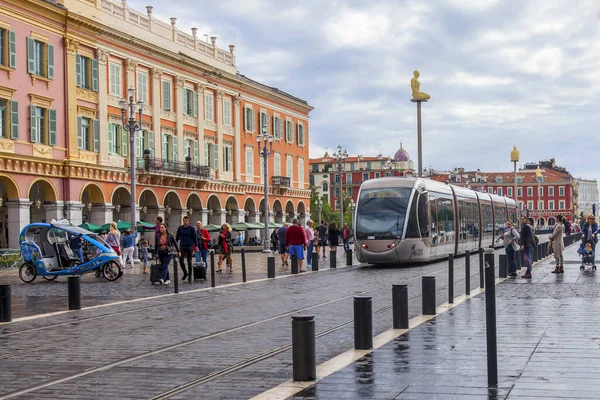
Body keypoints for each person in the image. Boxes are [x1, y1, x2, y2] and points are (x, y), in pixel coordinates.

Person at [176, 215, 198, 281]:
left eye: (186, 221)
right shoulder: (180, 228)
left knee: (189, 261)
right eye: (184, 221)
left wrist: (196, 246)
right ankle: (185, 272)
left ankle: (190, 275)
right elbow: (177, 237)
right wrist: (175, 245)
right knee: (181, 260)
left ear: (189, 221)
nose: (185, 222)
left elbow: (195, 238)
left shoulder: (192, 228)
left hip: (190, 246)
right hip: (182, 246)